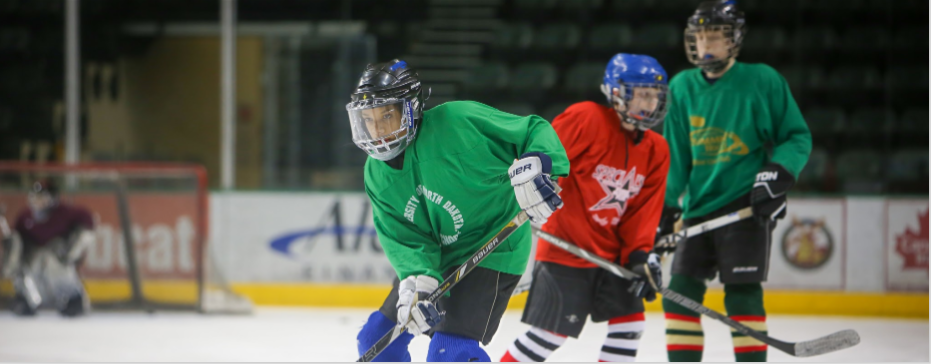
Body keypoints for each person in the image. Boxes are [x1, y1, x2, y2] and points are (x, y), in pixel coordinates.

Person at [349, 59, 570, 362]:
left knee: (449, 354)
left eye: (386, 116)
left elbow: (533, 130)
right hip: (437, 258)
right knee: (376, 341)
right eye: (369, 119)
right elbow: (403, 238)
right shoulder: (376, 173)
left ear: (411, 109)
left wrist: (539, 168)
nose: (377, 130)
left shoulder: (459, 124)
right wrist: (418, 278)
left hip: (493, 251)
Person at [658, 1, 812, 361]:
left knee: (742, 293)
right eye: (699, 36)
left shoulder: (762, 81)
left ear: (734, 40)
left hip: (745, 207)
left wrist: (779, 173)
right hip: (698, 209)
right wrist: (666, 205)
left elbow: (796, 136)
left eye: (714, 35)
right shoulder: (681, 87)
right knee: (678, 293)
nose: (705, 44)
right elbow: (676, 156)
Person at [500, 53, 671, 363]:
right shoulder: (587, 119)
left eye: (655, 95)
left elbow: (642, 212)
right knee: (547, 336)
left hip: (614, 256)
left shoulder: (657, 149)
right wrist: (535, 184)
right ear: (617, 92)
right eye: (643, 94)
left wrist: (639, 255)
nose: (650, 102)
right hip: (567, 249)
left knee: (629, 326)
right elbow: (547, 157)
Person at [2, 179, 95, 317]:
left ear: (52, 200)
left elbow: (88, 224)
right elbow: (16, 240)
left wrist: (73, 247)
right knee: (24, 261)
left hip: (57, 259)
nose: (38, 203)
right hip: (34, 260)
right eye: (35, 198)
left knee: (54, 257)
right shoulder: (25, 216)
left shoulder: (65, 213)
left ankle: (73, 298)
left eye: (42, 198)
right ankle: (26, 298)